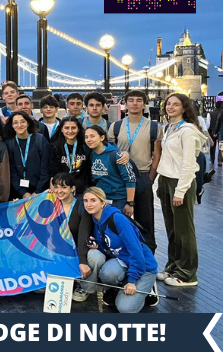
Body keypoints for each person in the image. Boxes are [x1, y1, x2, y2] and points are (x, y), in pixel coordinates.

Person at [156, 93, 208, 287]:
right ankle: (173, 265)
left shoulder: (187, 130)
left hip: (181, 182)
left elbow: (188, 163)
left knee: (184, 230)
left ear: (184, 108)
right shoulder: (169, 128)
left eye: (175, 104)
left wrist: (180, 191)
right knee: (172, 229)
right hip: (166, 180)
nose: (170, 107)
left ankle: (187, 274)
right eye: (168, 104)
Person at [82, 187, 158, 312]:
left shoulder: (118, 219)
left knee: (125, 309)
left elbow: (136, 251)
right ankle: (123, 285)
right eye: (85, 201)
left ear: (103, 203)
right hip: (122, 261)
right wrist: (98, 246)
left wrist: (132, 280)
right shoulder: (95, 220)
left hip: (144, 266)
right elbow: (110, 245)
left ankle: (147, 288)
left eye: (93, 200)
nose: (89, 204)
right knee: (106, 274)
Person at [107, 90, 162, 252]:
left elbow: (157, 154)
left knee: (145, 219)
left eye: (139, 100)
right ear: (125, 103)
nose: (135, 103)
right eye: (131, 100)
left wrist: (150, 178)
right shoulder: (116, 126)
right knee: (120, 217)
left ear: (144, 104)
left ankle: (148, 253)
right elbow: (111, 153)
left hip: (143, 175)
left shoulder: (153, 127)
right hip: (121, 177)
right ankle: (123, 252)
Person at [49, 173, 96, 303]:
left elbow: (83, 236)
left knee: (93, 257)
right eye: (56, 187)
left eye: (63, 187)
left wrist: (82, 261)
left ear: (72, 188)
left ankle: (82, 285)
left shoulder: (81, 206)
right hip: (56, 251)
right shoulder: (50, 203)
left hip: (75, 250)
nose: (59, 191)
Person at [85, 125, 136, 214]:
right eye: (86, 137)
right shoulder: (92, 154)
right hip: (101, 199)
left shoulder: (117, 156)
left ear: (102, 137)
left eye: (92, 136)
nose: (89, 139)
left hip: (119, 201)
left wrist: (130, 203)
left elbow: (130, 179)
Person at [4, 111, 50, 199]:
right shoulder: (10, 143)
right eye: (15, 123)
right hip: (18, 192)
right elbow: (12, 171)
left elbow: (45, 169)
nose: (19, 125)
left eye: (22, 121)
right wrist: (23, 192)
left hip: (39, 191)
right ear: (12, 126)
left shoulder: (40, 140)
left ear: (28, 123)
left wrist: (37, 191)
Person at [48, 117, 91, 194]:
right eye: (67, 128)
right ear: (62, 129)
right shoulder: (55, 147)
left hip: (83, 190)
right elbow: (53, 172)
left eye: (73, 128)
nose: (70, 131)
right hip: (63, 189)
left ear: (78, 129)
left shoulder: (86, 145)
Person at [209, 100, 223, 166]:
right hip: (221, 132)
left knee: (212, 145)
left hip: (213, 131)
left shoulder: (211, 113)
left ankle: (212, 159)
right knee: (221, 146)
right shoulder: (221, 113)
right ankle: (220, 161)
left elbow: (208, 124)